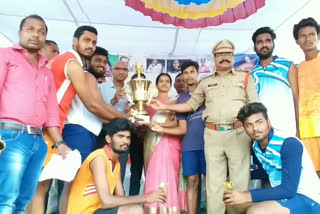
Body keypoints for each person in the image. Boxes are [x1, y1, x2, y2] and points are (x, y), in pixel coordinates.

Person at [150, 40, 260, 214]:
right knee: (213, 184)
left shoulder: (245, 77)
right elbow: (190, 105)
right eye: (220, 55)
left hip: (238, 134)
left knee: (239, 182)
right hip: (212, 136)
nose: (224, 58)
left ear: (233, 56)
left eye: (228, 54)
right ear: (214, 58)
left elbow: (255, 106)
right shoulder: (205, 82)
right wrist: (164, 107)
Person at [0, 14, 68, 213]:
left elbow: (52, 112)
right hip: (10, 135)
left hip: (38, 141)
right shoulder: (5, 56)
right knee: (5, 199)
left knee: (23, 200)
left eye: (41, 32)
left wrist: (60, 144)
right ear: (20, 32)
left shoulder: (46, 70)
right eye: (30, 29)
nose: (36, 35)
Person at [223, 102, 320, 214]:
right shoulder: (256, 147)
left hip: (307, 198)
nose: (255, 129)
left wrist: (248, 195)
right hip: (281, 195)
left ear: (268, 122)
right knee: (233, 204)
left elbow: (289, 190)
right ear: (244, 128)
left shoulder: (288, 143)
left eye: (259, 122)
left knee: (256, 212)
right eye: (249, 125)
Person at [67, 118, 166, 214]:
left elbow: (121, 199)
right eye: (120, 136)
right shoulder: (99, 158)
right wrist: (146, 197)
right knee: (135, 211)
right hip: (85, 212)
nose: (125, 141)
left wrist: (146, 199)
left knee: (135, 209)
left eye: (128, 137)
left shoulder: (116, 163)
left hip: (98, 211)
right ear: (108, 139)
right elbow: (106, 201)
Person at [151, 60, 206, 214]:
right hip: (189, 146)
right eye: (185, 73)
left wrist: (164, 109)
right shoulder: (181, 98)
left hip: (210, 144)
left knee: (210, 184)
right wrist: (159, 127)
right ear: (182, 76)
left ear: (197, 72)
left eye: (192, 72)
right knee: (192, 182)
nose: (189, 76)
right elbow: (181, 127)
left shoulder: (207, 91)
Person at [144, 73, 186, 214]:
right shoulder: (149, 101)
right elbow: (143, 118)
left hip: (171, 141)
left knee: (171, 174)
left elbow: (177, 122)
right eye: (161, 81)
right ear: (156, 84)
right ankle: (152, 208)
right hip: (152, 140)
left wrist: (162, 127)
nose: (164, 83)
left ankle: (170, 208)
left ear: (171, 84)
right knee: (154, 173)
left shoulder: (176, 102)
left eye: (167, 81)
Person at [251, 27, 298, 137]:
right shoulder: (252, 74)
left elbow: (297, 99)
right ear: (254, 47)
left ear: (273, 44)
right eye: (260, 42)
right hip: (262, 133)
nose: (264, 45)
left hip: (287, 131)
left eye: (268, 41)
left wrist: (298, 130)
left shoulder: (287, 66)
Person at [294, 17, 320, 178]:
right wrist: (297, 130)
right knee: (314, 174)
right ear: (297, 41)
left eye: (312, 34)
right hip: (307, 130)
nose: (308, 39)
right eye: (303, 36)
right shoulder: (297, 69)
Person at [99, 61, 130, 184]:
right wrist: (114, 100)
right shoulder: (102, 87)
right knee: (101, 167)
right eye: (118, 68)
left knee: (119, 169)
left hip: (123, 134)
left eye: (124, 69)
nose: (121, 71)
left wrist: (130, 111)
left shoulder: (131, 90)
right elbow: (98, 109)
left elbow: (132, 112)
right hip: (104, 131)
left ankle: (117, 200)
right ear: (111, 71)